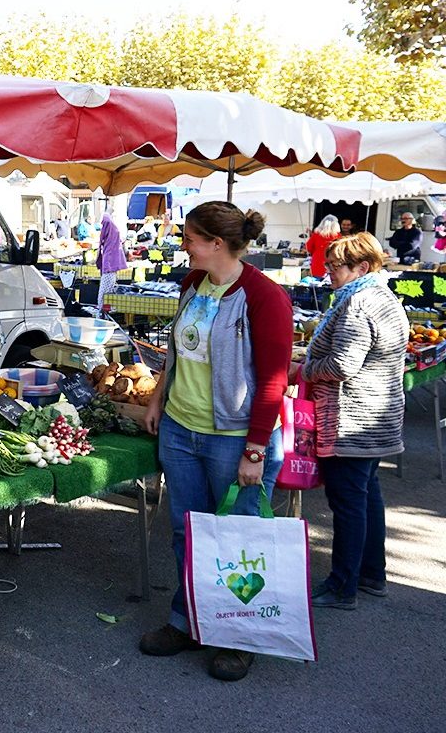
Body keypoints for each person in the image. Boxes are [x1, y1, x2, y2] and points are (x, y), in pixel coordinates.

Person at [138, 201, 290, 682]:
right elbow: (175, 351)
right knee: (188, 532)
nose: (183, 245)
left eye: (189, 237)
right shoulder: (191, 285)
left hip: (234, 438)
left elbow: (272, 381)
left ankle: (239, 637)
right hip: (183, 430)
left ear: (216, 243)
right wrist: (158, 399)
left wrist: (255, 449)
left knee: (238, 539)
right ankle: (187, 622)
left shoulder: (265, 298)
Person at [300, 233, 407, 610]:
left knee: (347, 502)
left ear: (362, 267)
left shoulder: (358, 303)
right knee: (365, 497)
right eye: (327, 265)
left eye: (335, 266)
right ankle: (371, 574)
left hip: (353, 420)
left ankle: (342, 586)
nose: (328, 272)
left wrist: (306, 368)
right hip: (378, 418)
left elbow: (343, 364)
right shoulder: (384, 297)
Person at [96, 212, 127, 309]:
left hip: (108, 270)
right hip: (111, 271)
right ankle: (103, 311)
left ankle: (101, 312)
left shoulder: (109, 242)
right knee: (107, 294)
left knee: (103, 295)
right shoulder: (113, 234)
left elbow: (107, 259)